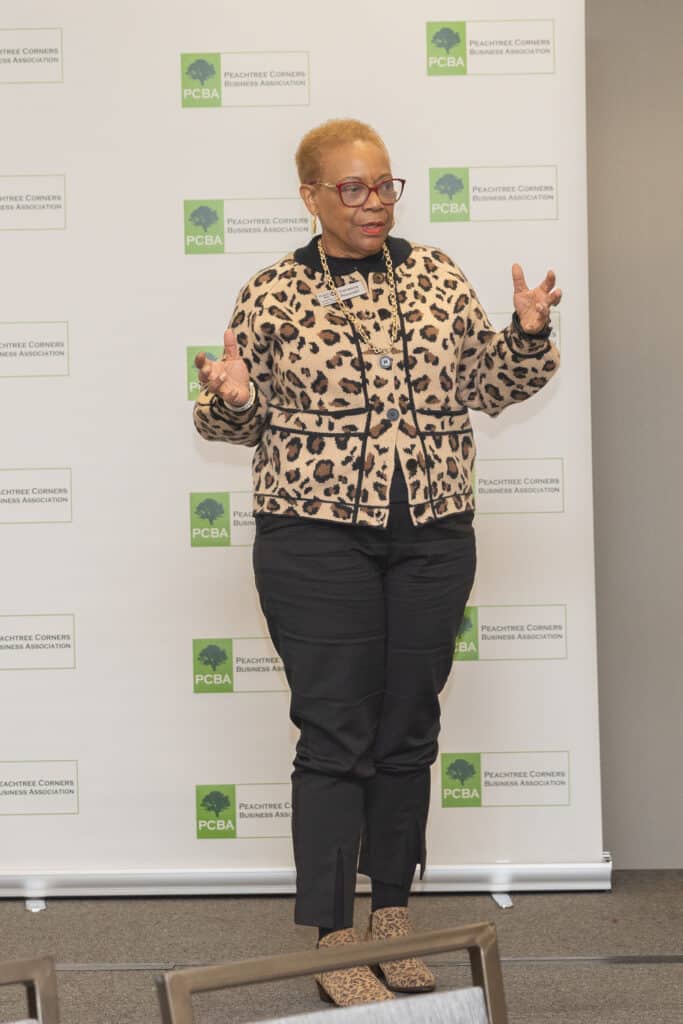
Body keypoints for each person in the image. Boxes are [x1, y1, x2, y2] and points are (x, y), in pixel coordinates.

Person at [193, 118, 561, 1007]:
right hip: (315, 537)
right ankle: (332, 935)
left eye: (386, 185)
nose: (373, 203)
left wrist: (522, 334)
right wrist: (233, 401)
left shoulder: (434, 273)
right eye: (352, 188)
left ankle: (391, 911)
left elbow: (486, 388)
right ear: (311, 195)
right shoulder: (272, 291)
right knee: (334, 737)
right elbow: (227, 418)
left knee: (408, 729)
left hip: (431, 532)